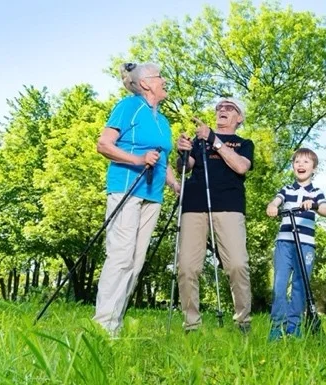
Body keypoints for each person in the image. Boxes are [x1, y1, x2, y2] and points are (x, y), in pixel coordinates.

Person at [94, 62, 180, 336]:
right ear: (145, 83)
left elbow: (161, 159)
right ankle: (103, 326)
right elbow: (103, 144)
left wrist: (176, 185)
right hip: (126, 188)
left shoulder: (163, 120)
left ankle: (115, 323)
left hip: (152, 195)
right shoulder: (128, 106)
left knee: (136, 262)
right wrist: (137, 159)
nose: (165, 81)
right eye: (160, 77)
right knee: (120, 257)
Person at [175, 98, 254, 333]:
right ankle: (191, 324)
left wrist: (214, 140)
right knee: (187, 267)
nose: (222, 110)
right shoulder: (199, 142)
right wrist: (183, 151)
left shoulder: (244, 143)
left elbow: (241, 167)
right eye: (219, 107)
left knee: (238, 264)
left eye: (230, 108)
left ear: (239, 118)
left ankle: (243, 321)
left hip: (229, 206)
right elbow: (184, 167)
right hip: (194, 204)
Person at [265, 148, 326, 341]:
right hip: (285, 243)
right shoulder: (286, 189)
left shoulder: (316, 192)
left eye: (306, 162)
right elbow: (275, 201)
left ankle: (294, 327)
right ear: (293, 166)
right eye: (297, 162)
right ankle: (277, 328)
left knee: (300, 287)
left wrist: (315, 205)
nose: (300, 165)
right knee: (279, 285)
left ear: (314, 168)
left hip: (306, 245)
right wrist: (272, 206)